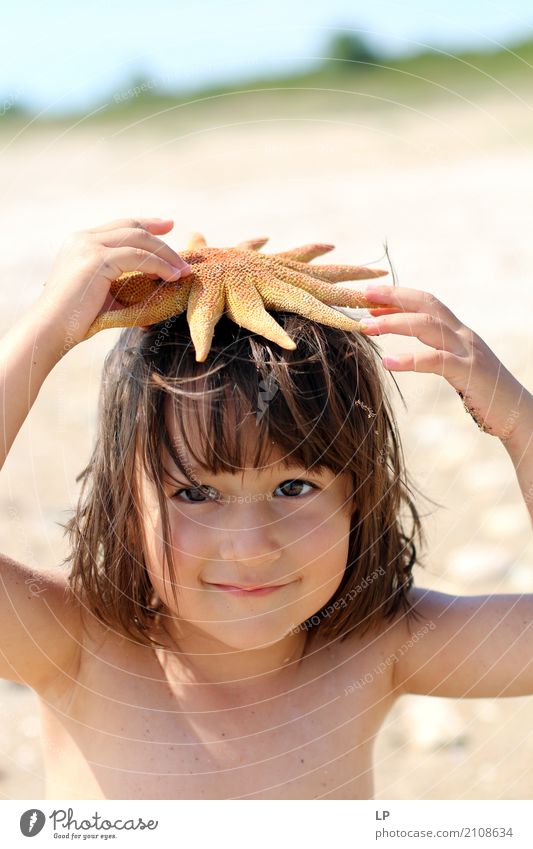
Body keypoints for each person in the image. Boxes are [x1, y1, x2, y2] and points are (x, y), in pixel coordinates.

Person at [0, 217, 531, 801]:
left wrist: (518, 422)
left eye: (294, 488)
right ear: (127, 505)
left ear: (360, 498)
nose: (251, 548)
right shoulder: (74, 644)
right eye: (196, 493)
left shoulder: (373, 650)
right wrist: (44, 330)